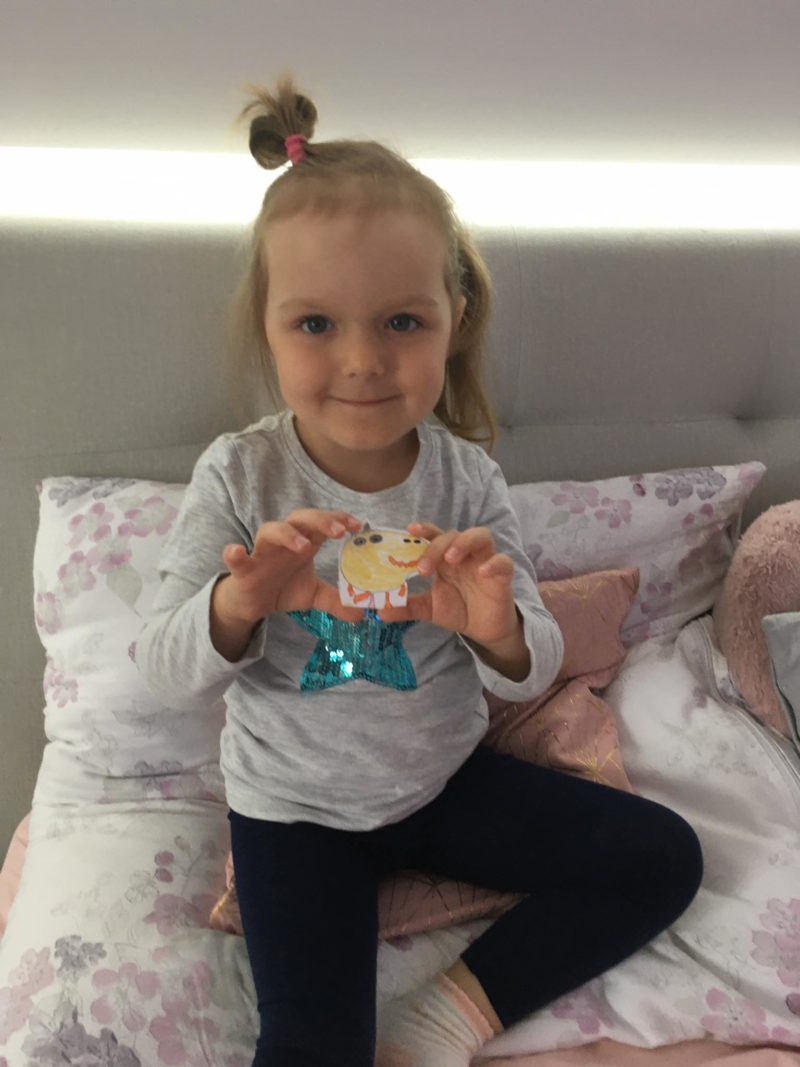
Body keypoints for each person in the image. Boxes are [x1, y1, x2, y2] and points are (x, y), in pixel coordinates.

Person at [135, 74, 703, 1067]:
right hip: (294, 814)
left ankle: (447, 1017)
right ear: (267, 326)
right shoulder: (240, 475)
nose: (361, 360)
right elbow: (159, 667)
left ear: (453, 318)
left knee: (664, 856)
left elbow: (530, 667)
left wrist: (496, 625)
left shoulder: (464, 478)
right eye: (316, 324)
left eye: (401, 321)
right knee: (311, 1045)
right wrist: (238, 602)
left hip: (442, 783)